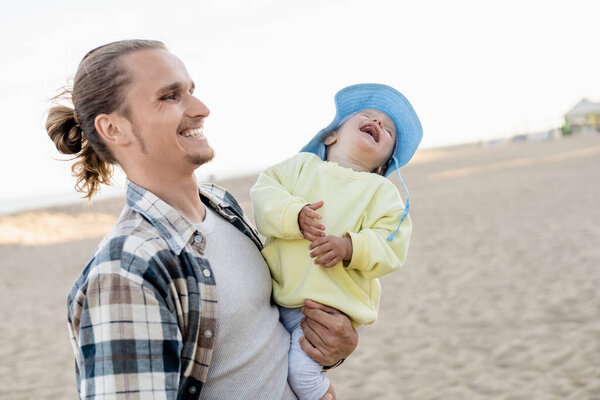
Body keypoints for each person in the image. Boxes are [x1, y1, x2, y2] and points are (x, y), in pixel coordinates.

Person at [45, 39, 358, 400]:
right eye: (169, 96)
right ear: (114, 129)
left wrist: (328, 349)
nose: (202, 108)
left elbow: (259, 342)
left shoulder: (222, 206)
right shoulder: (126, 271)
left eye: (191, 90)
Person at [250, 83, 422, 400]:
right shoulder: (301, 166)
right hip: (275, 299)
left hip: (327, 312)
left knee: (302, 375)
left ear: (385, 164)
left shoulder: (382, 192)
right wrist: (294, 214)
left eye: (389, 131)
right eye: (369, 116)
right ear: (331, 136)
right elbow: (264, 193)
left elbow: (393, 243)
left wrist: (350, 247)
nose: (379, 122)